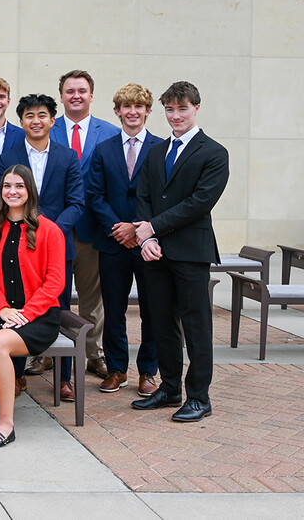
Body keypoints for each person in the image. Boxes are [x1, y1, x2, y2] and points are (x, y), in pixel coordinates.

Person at [132, 81, 228, 423]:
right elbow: (143, 196)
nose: (176, 116)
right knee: (160, 323)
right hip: (155, 252)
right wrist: (146, 239)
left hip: (190, 252)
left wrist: (152, 228)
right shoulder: (156, 152)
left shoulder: (214, 153)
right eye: (170, 110)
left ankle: (199, 397)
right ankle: (170, 387)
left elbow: (199, 203)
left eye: (182, 109)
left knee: (195, 325)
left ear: (196, 109)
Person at [0, 165, 66, 449]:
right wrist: (3, 309)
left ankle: (6, 425)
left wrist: (26, 314)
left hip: (40, 315)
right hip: (2, 311)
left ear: (29, 190)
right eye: (7, 186)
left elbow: (55, 283)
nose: (12, 191)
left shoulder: (49, 230)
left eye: (19, 186)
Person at [0, 94, 84, 400]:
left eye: (42, 115)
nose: (36, 120)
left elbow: (76, 201)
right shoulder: (9, 156)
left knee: (59, 308)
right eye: (29, 115)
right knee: (17, 306)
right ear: (21, 122)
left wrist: (49, 233)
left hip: (56, 248)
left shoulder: (67, 156)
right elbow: (3, 197)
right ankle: (17, 375)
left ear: (52, 120)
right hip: (14, 250)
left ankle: (64, 378)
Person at [86, 84, 162, 396]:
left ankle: (148, 372)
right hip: (113, 242)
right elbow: (94, 194)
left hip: (147, 244)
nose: (132, 112)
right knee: (113, 310)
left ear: (147, 111)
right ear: (117, 111)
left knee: (152, 311)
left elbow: (163, 196)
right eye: (126, 107)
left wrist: (139, 230)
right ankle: (117, 369)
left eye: (138, 107)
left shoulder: (160, 149)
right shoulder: (104, 149)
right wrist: (118, 228)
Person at [51, 70, 121, 381]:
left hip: (94, 230)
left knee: (94, 300)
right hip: (57, 232)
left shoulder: (109, 133)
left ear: (91, 95)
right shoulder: (46, 131)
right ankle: (47, 353)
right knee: (54, 297)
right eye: (70, 91)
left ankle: (94, 354)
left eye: (82, 90)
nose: (76, 95)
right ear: (62, 96)